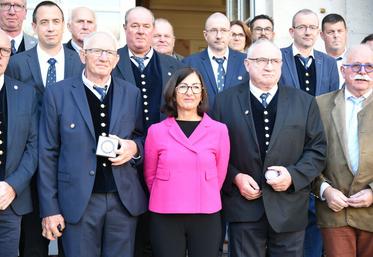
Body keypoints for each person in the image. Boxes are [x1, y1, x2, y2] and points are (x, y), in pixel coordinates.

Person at [212, 39, 327, 257]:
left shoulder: (304, 102)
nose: (269, 66)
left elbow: (317, 149)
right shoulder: (223, 102)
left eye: (275, 61)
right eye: (261, 60)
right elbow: (213, 152)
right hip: (243, 206)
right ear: (247, 64)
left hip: (290, 208)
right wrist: (235, 177)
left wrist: (293, 176)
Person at [38, 31, 147, 257]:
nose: (103, 57)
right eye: (96, 51)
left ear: (117, 59)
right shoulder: (58, 94)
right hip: (77, 202)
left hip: (122, 201)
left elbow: (143, 137)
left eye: (108, 52)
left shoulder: (131, 93)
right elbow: (47, 153)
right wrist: (50, 209)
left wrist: (134, 148)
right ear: (82, 55)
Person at [5, 1, 83, 256]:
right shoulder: (17, 63)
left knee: (71, 242)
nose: (50, 28)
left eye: (56, 22)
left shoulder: (79, 63)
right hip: (28, 165)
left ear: (65, 26)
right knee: (31, 243)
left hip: (69, 163)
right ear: (34, 26)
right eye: (44, 22)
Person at [112, 7, 184, 256]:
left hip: (166, 160)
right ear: (125, 29)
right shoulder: (112, 60)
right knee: (126, 235)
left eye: (145, 26)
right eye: (134, 26)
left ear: (153, 30)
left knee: (161, 233)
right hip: (123, 160)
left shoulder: (173, 66)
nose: (140, 31)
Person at [144, 67, 230, 257]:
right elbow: (150, 175)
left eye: (195, 87)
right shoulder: (156, 131)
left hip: (205, 212)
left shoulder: (219, 130)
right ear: (173, 94)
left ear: (202, 94)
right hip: (166, 212)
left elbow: (220, 173)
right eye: (183, 87)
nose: (189, 92)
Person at [279, 9, 339, 257]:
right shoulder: (279, 58)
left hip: (318, 142)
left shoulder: (329, 63)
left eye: (312, 27)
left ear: (319, 32)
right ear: (292, 31)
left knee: (317, 207)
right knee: (290, 207)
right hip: (287, 141)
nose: (307, 31)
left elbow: (334, 103)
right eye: (301, 27)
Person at [314, 44, 373, 257]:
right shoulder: (320, 105)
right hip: (335, 210)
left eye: (369, 67)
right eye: (355, 66)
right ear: (343, 70)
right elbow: (308, 155)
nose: (363, 72)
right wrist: (325, 190)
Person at [0, 29, 38, 257]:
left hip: (11, 199)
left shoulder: (25, 93)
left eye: (3, 51)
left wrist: (12, 185)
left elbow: (33, 147)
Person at [183, 12, 248, 110]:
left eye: (223, 30)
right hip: (202, 123)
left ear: (230, 34)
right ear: (205, 35)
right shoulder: (189, 63)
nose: (219, 36)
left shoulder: (246, 62)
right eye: (214, 30)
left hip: (236, 124)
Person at [321, 13, 347, 88]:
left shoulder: (356, 61)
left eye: (340, 31)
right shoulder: (315, 62)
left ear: (346, 32)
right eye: (330, 32)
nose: (336, 35)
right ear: (322, 35)